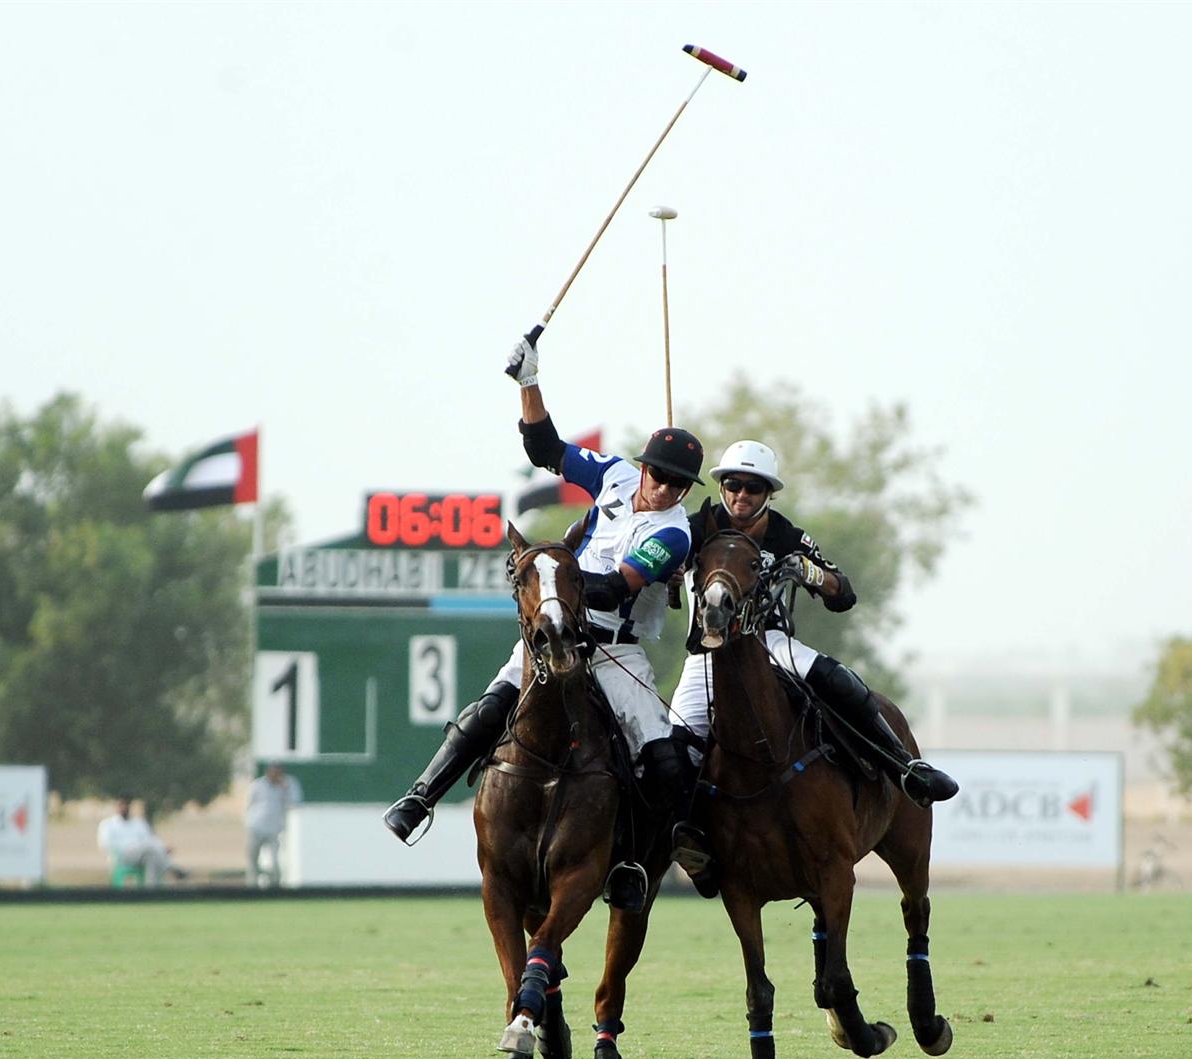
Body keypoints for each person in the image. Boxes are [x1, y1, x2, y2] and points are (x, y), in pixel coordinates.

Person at [382, 332, 703, 912]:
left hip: (615, 650)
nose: (662, 488)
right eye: (658, 474)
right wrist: (529, 382)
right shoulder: (615, 475)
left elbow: (614, 585)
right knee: (490, 707)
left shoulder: (674, 532)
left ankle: (641, 857)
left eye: (677, 483)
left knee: (662, 756)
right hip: (556, 628)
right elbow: (545, 447)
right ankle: (420, 797)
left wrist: (561, 579)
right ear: (644, 467)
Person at [668, 439, 959, 888]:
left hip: (770, 646)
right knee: (674, 750)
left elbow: (844, 593)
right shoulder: (693, 529)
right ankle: (690, 845)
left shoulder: (786, 535)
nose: (741, 496)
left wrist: (810, 573)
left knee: (832, 675)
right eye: (733, 485)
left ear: (768, 494)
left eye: (753, 488)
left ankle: (904, 766)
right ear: (722, 487)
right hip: (706, 655)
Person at [96, 797, 184, 886]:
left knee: (151, 856)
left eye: (126, 805)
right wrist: (161, 849)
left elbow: (150, 838)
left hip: (144, 854)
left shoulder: (138, 823)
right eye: (121, 805)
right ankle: (170, 868)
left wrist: (163, 847)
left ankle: (151, 887)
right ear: (116, 807)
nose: (124, 808)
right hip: (123, 855)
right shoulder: (108, 824)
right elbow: (104, 844)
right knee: (150, 848)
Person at [245, 761, 303, 888]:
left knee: (275, 860)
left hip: (274, 829)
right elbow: (249, 804)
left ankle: (275, 885)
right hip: (256, 827)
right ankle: (252, 886)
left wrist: (285, 790)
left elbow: (295, 803)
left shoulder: (288, 785)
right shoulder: (258, 785)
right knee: (252, 859)